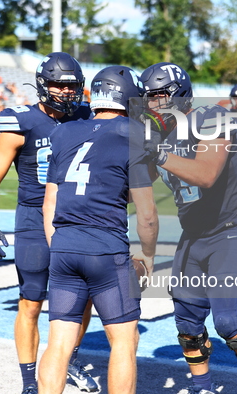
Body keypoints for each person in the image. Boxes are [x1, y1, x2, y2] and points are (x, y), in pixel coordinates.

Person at [141, 62, 237, 394]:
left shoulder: (212, 118)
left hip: (231, 230)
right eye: (148, 97)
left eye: (160, 96)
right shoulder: (156, 132)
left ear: (179, 94)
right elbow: (138, 184)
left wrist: (156, 153)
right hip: (194, 235)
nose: (152, 104)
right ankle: (201, 387)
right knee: (187, 323)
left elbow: (205, 174)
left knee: (230, 322)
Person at [0, 52, 98, 394]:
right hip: (34, 218)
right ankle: (29, 380)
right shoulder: (21, 122)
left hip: (77, 218)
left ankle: (68, 358)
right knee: (31, 302)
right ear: (43, 85)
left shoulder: (87, 115)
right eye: (59, 86)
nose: (66, 92)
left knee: (85, 297)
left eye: (72, 86)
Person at [39, 65, 158, 394]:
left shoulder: (64, 131)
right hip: (105, 251)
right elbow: (146, 214)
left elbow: (50, 203)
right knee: (123, 341)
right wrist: (148, 256)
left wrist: (60, 245)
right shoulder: (133, 133)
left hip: (64, 247)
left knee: (59, 344)